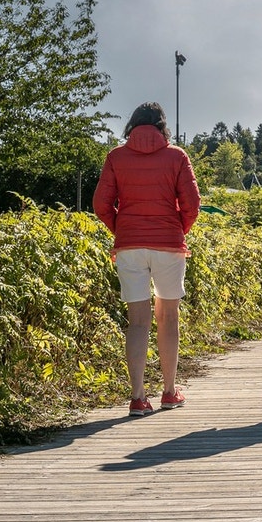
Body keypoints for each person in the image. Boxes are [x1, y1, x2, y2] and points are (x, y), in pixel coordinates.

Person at [93, 102, 201, 417]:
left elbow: (101, 204)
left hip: (129, 248)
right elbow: (192, 204)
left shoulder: (115, 157)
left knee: (137, 320)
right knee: (169, 318)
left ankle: (138, 397)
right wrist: (177, 229)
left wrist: (123, 229)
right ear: (161, 126)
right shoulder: (177, 157)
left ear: (133, 125)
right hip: (168, 245)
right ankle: (169, 392)